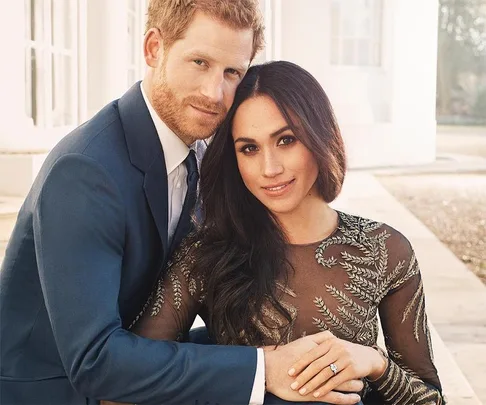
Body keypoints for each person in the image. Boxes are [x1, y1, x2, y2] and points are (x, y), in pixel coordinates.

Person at [0, 1, 363, 405]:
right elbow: (94, 361)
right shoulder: (86, 171)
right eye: (199, 62)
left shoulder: (205, 151)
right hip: (65, 392)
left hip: (142, 361)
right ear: (154, 49)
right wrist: (264, 367)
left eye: (232, 73)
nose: (215, 93)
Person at [122, 61, 446, 405]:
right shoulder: (205, 255)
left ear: (319, 136)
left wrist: (376, 363)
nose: (270, 168)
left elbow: (432, 400)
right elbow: (130, 379)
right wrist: (250, 373)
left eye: (286, 140)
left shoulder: (384, 250)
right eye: (249, 148)